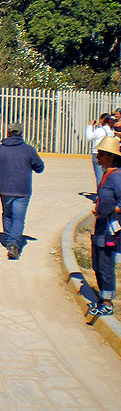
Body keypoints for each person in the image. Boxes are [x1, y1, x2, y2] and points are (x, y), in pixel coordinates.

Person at [0, 122, 45, 260]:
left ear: (7, 134)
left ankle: (10, 240)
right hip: (22, 189)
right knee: (18, 218)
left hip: (5, 188)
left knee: (7, 215)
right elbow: (39, 167)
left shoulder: (0, 149)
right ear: (21, 134)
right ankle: (13, 243)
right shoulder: (28, 150)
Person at [88, 136, 121, 318]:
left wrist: (110, 210)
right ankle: (102, 297)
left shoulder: (116, 177)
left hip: (109, 228)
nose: (98, 157)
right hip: (101, 225)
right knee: (97, 263)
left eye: (101, 154)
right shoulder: (108, 174)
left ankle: (107, 303)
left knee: (105, 265)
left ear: (110, 156)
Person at [86, 114, 114, 190]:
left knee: (99, 176)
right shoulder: (111, 131)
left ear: (102, 120)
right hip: (108, 155)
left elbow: (89, 138)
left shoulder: (100, 130)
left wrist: (90, 126)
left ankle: (100, 195)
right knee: (106, 176)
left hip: (97, 153)